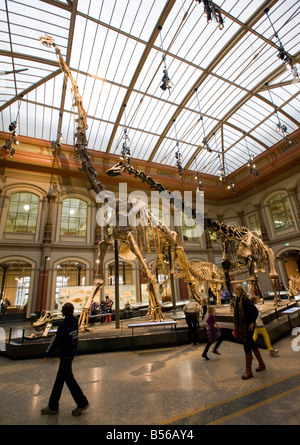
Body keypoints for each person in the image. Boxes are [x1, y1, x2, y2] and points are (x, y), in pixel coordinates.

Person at [41, 302, 89, 416]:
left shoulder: (63, 325)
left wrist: (47, 352)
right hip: (70, 353)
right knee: (59, 380)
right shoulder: (74, 322)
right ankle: (53, 406)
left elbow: (56, 340)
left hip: (66, 355)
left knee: (69, 380)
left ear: (63, 312)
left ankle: (82, 402)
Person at [233, 284, 266, 380]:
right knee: (251, 344)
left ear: (239, 290)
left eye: (235, 289)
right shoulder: (237, 300)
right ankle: (261, 363)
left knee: (247, 345)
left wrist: (252, 322)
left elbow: (255, 311)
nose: (233, 290)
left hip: (248, 327)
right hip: (243, 327)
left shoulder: (245, 300)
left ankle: (248, 371)